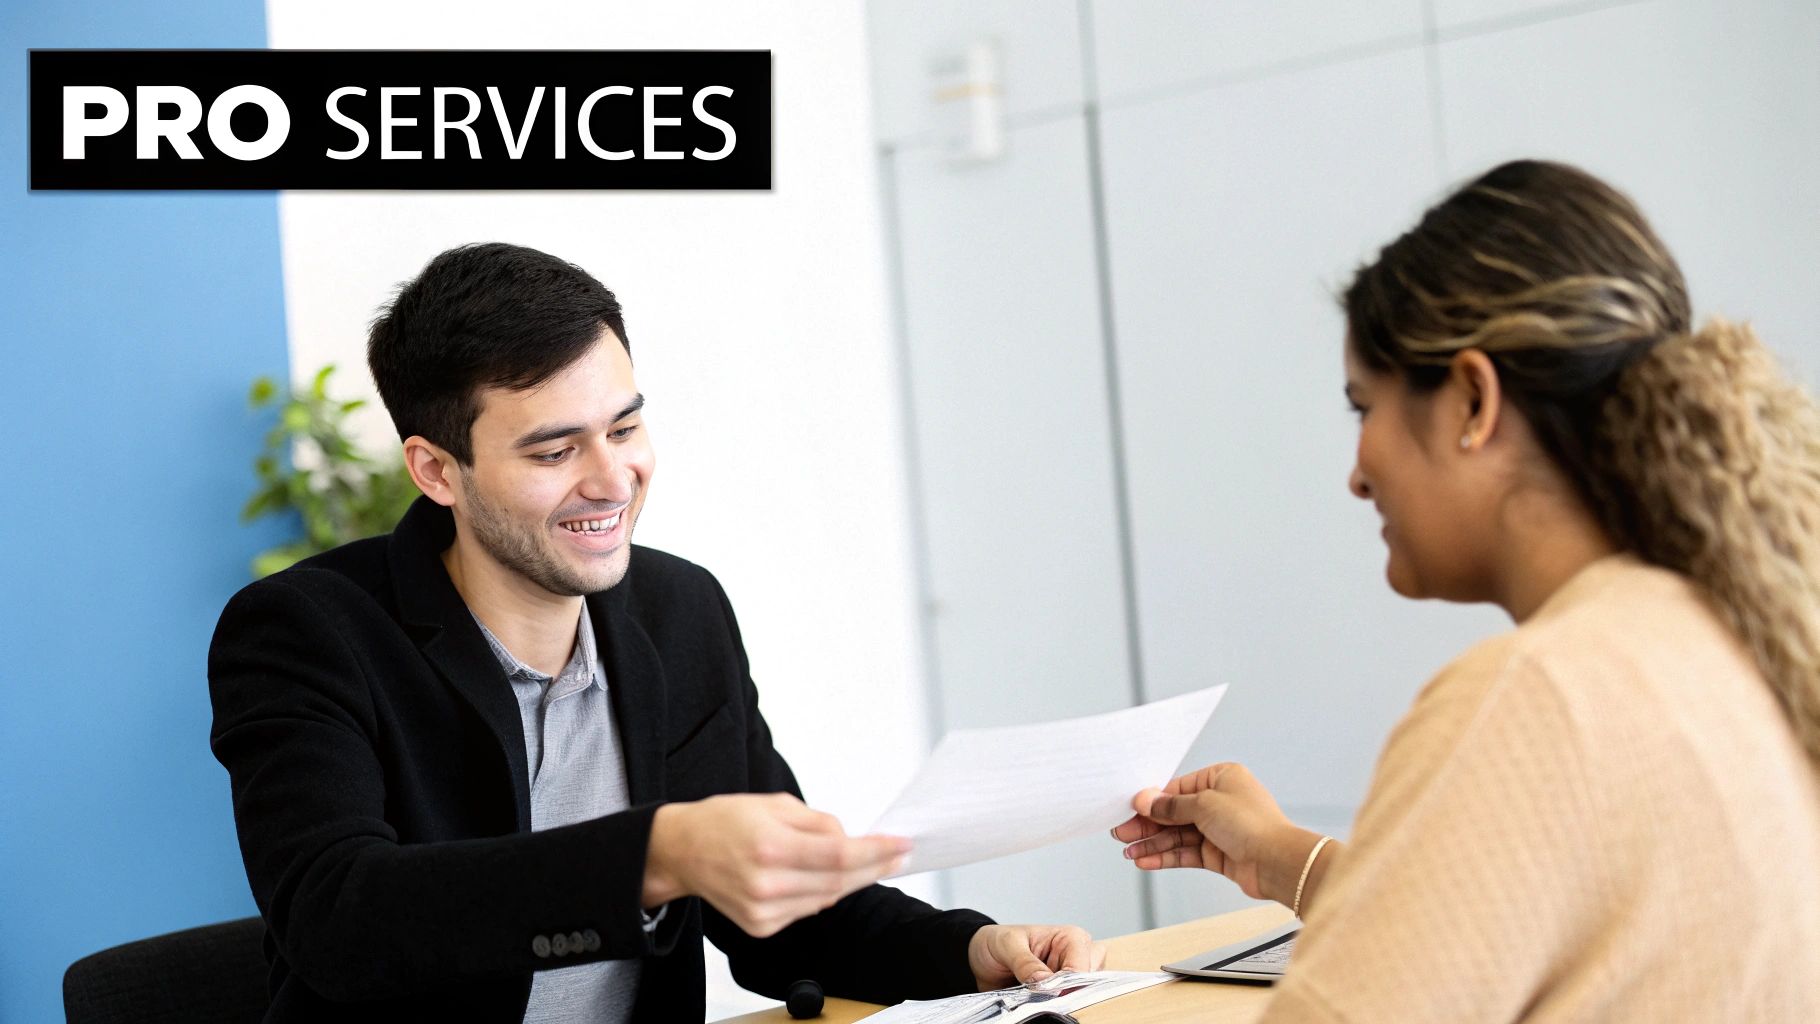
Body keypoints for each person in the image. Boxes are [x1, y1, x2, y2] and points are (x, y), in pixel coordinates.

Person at [209, 242, 1100, 1023]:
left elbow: (786, 918)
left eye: (625, 427)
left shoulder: (681, 613)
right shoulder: (307, 632)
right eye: (555, 452)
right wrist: (655, 855)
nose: (612, 479)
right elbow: (342, 920)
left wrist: (973, 951)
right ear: (437, 470)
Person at [1112, 161, 1820, 1020]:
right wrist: (1282, 859)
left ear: (1473, 401)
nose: (1356, 475)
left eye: (1361, 408)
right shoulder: (1734, 629)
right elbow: (1524, 918)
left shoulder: (1536, 695)